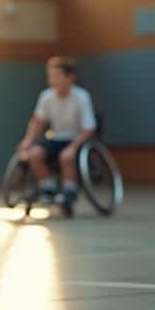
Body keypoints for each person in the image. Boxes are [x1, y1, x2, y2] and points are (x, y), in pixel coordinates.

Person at [15, 56, 97, 207]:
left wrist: (73, 148)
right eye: (50, 76)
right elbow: (38, 121)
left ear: (70, 78)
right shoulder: (46, 96)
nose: (52, 81)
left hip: (75, 139)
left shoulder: (82, 97)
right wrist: (28, 140)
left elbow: (89, 128)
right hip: (55, 137)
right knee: (33, 153)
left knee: (66, 157)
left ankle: (69, 188)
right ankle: (48, 185)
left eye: (57, 76)